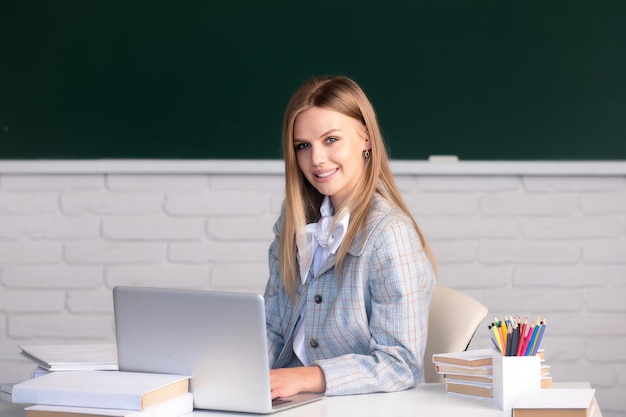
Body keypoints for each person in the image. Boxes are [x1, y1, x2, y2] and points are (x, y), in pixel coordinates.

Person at [264, 76, 437, 399]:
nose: (316, 159)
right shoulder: (294, 220)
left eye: (331, 140)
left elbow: (402, 364)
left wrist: (307, 377)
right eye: (303, 145)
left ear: (366, 140)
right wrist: (238, 368)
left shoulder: (389, 234)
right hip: (288, 400)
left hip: (353, 403)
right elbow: (272, 327)